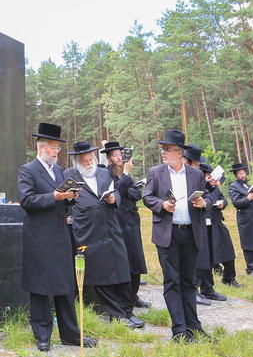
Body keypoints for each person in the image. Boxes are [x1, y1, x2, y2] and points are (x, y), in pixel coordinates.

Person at [17, 122, 96, 352]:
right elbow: (27, 201)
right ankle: (42, 335)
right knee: (40, 286)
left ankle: (71, 334)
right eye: (54, 148)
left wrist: (71, 196)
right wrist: (55, 195)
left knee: (65, 286)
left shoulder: (59, 171)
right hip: (38, 237)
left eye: (58, 149)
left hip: (61, 235)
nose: (57, 152)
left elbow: (63, 200)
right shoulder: (27, 170)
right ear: (42, 148)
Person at [143, 129, 212, 343]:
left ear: (180, 152)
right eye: (162, 149)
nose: (163, 153)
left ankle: (194, 327)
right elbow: (147, 197)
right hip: (168, 234)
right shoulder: (156, 172)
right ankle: (179, 331)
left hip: (191, 234)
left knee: (190, 282)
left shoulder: (196, 174)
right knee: (172, 282)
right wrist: (162, 205)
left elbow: (207, 197)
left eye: (168, 149)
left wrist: (204, 203)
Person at [65, 140, 140, 327]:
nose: (89, 162)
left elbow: (118, 194)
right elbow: (64, 202)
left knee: (121, 269)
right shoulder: (68, 175)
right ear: (77, 161)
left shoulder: (104, 173)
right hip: (87, 230)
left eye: (90, 159)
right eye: (84, 160)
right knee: (101, 274)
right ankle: (117, 315)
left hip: (111, 226)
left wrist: (114, 198)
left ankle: (127, 310)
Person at [101, 141, 148, 309]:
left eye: (120, 154)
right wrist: (125, 178)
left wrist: (126, 182)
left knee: (136, 259)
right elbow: (115, 192)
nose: (119, 157)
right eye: (114, 155)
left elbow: (136, 194)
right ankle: (123, 298)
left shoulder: (126, 175)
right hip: (116, 223)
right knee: (123, 260)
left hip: (132, 222)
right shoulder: (105, 174)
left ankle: (133, 295)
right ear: (108, 158)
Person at [189, 155, 227, 304]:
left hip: (210, 222)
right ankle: (196, 289)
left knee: (207, 257)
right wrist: (214, 188)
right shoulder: (193, 179)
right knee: (197, 258)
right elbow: (207, 198)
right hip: (196, 221)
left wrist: (214, 187)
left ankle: (207, 288)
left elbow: (211, 199)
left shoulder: (205, 183)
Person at [202, 161, 240, 289]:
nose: (210, 178)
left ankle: (229, 278)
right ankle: (206, 284)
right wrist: (213, 187)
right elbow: (209, 200)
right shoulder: (200, 187)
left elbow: (223, 199)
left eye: (210, 175)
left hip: (217, 222)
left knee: (228, 251)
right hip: (205, 225)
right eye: (207, 175)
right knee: (209, 255)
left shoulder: (214, 187)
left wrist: (222, 203)